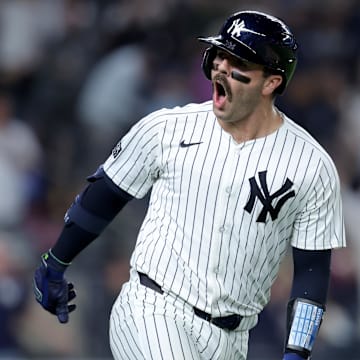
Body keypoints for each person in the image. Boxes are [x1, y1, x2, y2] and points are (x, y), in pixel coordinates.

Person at [33, 10, 346, 360]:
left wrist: (297, 352)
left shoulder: (311, 165)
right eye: (220, 55)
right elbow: (104, 195)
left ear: (271, 82)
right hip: (153, 309)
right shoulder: (167, 128)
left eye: (237, 59)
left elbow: (312, 272)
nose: (221, 67)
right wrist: (56, 261)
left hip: (233, 340)